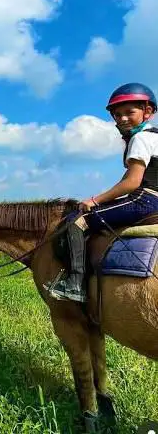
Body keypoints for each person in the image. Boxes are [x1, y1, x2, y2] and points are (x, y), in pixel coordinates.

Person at [49, 83, 158, 303]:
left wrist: (95, 200)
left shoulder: (141, 138)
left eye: (130, 112)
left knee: (75, 222)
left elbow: (132, 182)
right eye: (118, 115)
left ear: (148, 112)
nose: (123, 119)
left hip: (146, 200)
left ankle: (75, 285)